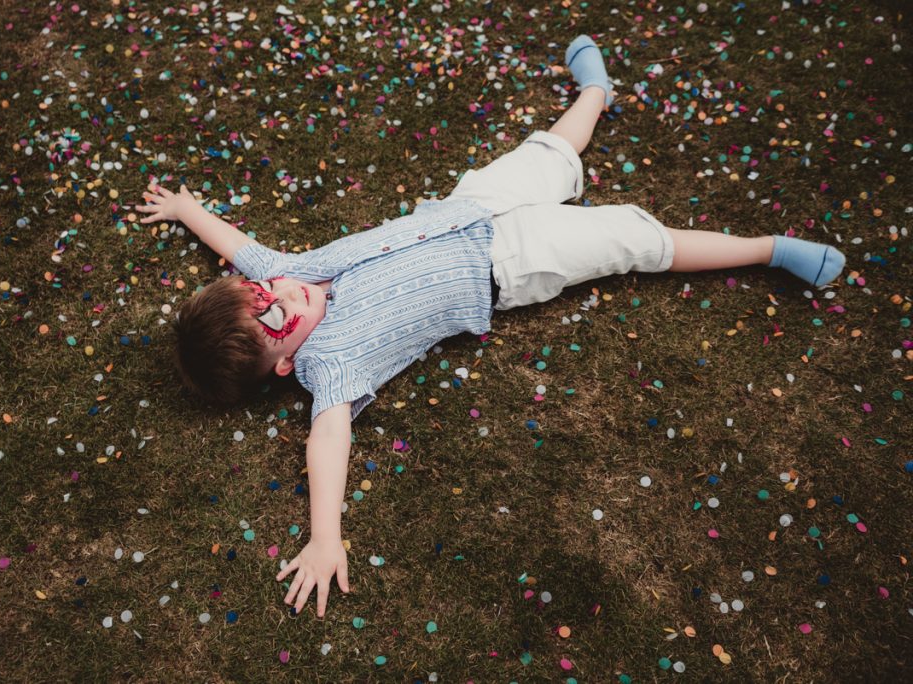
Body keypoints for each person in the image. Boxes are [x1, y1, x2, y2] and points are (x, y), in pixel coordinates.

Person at [134, 35, 845, 619]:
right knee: (630, 235)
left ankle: (594, 94)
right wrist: (325, 538)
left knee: (551, 158)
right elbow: (327, 439)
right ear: (285, 362)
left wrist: (187, 208)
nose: (285, 296)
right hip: (510, 264)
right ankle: (768, 249)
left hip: (468, 206)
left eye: (265, 294)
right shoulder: (331, 364)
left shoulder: (288, 270)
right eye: (280, 321)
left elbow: (239, 247)